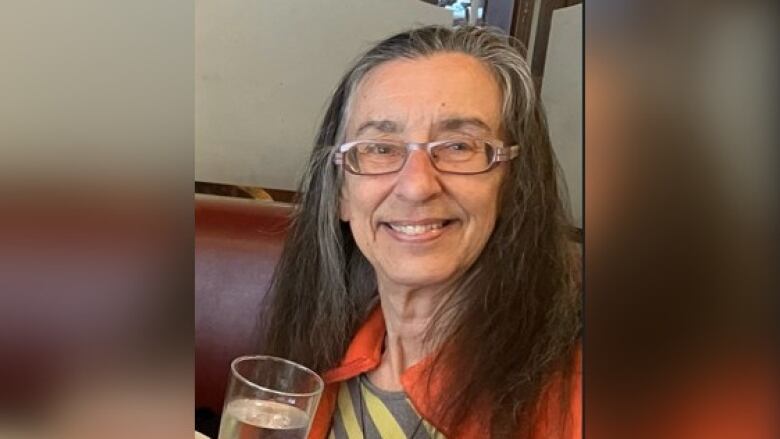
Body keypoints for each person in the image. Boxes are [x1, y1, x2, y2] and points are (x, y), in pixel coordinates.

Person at [260, 25, 581, 438]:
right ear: (341, 193)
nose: (416, 186)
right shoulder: (317, 351)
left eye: (459, 147)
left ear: (514, 185)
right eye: (380, 148)